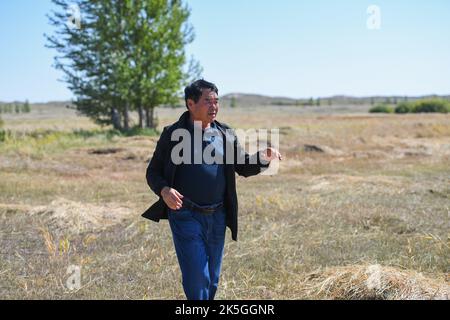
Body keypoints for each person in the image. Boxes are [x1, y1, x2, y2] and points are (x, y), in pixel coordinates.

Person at [142, 79, 282, 300]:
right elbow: (153, 172)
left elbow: (243, 166)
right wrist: (164, 190)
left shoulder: (225, 133)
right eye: (208, 101)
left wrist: (262, 158)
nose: (214, 106)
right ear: (190, 104)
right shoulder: (172, 134)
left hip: (218, 215)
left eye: (216, 101)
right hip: (185, 214)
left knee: (212, 279)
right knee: (197, 277)